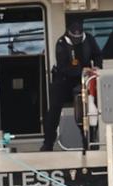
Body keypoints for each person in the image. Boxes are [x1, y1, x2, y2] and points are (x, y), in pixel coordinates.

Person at [41, 18, 102, 151]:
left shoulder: (90, 39)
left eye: (79, 37)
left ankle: (89, 142)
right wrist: (81, 70)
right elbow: (63, 67)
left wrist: (96, 67)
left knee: (84, 109)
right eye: (74, 37)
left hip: (83, 80)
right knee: (54, 110)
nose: (77, 39)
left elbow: (98, 55)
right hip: (63, 80)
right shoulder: (61, 43)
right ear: (68, 33)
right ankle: (48, 143)